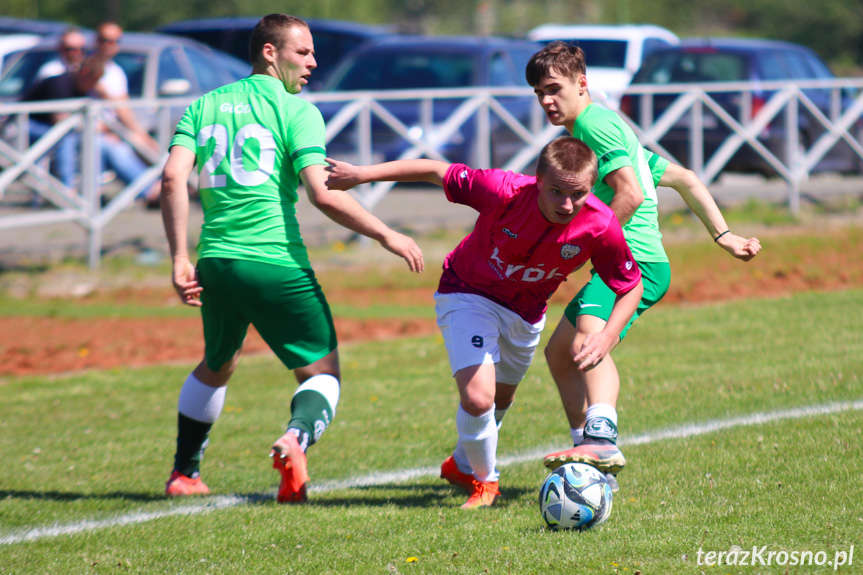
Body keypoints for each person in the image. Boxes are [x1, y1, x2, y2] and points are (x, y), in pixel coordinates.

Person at [159, 14, 424, 503]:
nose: (313, 62)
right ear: (269, 52)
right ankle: (295, 439)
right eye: (302, 52)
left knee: (217, 364)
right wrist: (387, 234)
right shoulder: (296, 110)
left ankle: (183, 473)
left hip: (215, 261)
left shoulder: (203, 105)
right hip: (274, 261)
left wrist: (179, 258)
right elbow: (322, 195)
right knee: (322, 374)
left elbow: (174, 179)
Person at [325, 136, 644, 509]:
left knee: (501, 399)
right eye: (556, 191)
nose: (567, 204)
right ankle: (485, 484)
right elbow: (433, 169)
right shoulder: (502, 189)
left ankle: (461, 466)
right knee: (479, 399)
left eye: (578, 194)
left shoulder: (600, 224)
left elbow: (630, 285)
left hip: (526, 313)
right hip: (467, 292)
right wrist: (361, 174)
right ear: (537, 180)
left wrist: (609, 335)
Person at [526, 41, 762, 491]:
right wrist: (723, 235)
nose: (546, 101)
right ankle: (591, 462)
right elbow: (683, 178)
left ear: (582, 82)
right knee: (560, 354)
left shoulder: (593, 126)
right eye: (539, 92)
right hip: (639, 260)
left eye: (554, 88)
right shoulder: (608, 125)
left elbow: (630, 194)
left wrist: (577, 244)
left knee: (588, 341)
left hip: (635, 262)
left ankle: (602, 438)